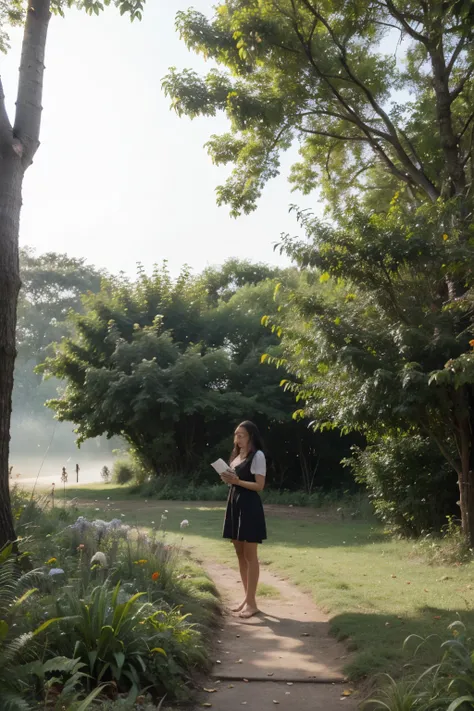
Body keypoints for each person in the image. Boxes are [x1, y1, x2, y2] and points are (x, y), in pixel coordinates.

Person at [221, 420, 267, 619]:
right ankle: (247, 599)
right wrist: (228, 480)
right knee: (239, 554)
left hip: (249, 506)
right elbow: (235, 482)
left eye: (241, 435)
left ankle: (252, 603)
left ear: (251, 436)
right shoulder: (236, 457)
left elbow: (259, 486)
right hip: (234, 504)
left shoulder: (258, 456)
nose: (237, 438)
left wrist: (237, 481)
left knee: (250, 555)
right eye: (236, 434)